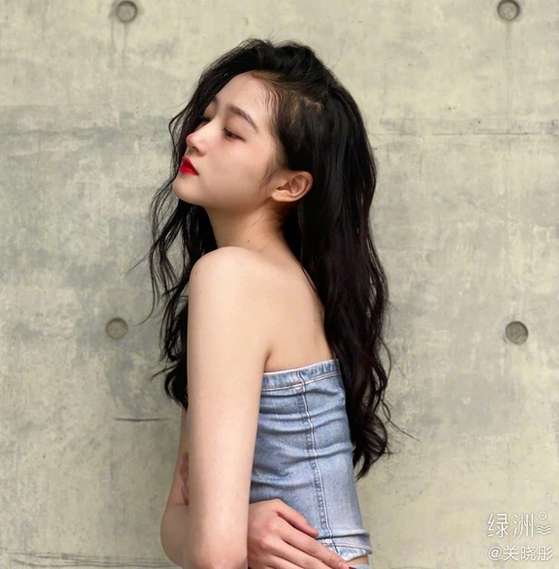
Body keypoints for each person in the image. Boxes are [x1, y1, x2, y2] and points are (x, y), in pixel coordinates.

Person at [134, 37, 408, 569]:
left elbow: (210, 552)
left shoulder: (231, 279)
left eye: (232, 132)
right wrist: (235, 526)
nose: (195, 137)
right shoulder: (282, 282)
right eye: (207, 118)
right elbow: (176, 523)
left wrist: (223, 529)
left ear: (290, 185)